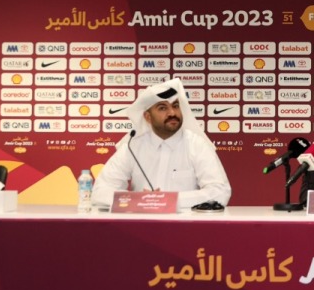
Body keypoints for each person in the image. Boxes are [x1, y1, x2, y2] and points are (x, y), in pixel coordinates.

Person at [91, 78, 231, 209]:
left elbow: (220, 192)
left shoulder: (196, 145)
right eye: (162, 108)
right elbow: (100, 192)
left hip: (186, 227)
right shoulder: (133, 146)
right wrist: (138, 200)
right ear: (147, 117)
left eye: (175, 106)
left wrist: (168, 200)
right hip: (139, 226)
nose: (172, 113)